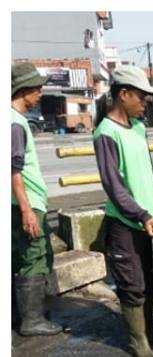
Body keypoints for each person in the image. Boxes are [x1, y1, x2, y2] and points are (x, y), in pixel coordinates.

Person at [93, 65, 153, 357]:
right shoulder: (106, 133)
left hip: (148, 222)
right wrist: (142, 214)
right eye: (141, 97)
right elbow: (113, 187)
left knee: (151, 282)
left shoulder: (139, 128)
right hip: (125, 224)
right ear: (123, 94)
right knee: (133, 287)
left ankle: (150, 335)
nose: (145, 103)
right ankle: (139, 343)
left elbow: (149, 173)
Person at [11, 62, 61, 336]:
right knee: (33, 256)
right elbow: (13, 171)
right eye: (37, 89)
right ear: (24, 89)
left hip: (14, 203)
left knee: (17, 256)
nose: (40, 94)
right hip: (24, 203)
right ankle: (32, 321)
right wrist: (27, 210)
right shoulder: (15, 123)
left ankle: (20, 315)